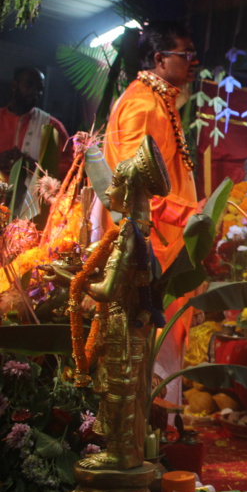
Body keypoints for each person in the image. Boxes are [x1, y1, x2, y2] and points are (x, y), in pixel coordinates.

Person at [43, 136, 170, 470]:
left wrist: (66, 280)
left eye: (114, 184)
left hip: (121, 324)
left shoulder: (129, 232)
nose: (109, 193)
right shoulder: (140, 227)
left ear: (127, 193)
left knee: (119, 391)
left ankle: (121, 453)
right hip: (130, 323)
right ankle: (123, 451)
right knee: (122, 389)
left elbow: (107, 290)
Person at [102, 20, 200, 272]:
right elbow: (133, 187)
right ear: (161, 59)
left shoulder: (158, 99)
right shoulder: (144, 107)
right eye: (186, 54)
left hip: (162, 240)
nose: (194, 62)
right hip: (147, 248)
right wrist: (188, 214)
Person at [0, 66, 71, 180]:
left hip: (31, 196)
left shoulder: (52, 127)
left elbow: (69, 166)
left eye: (40, 88)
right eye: (29, 85)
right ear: (14, 85)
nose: (35, 92)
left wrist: (34, 166)